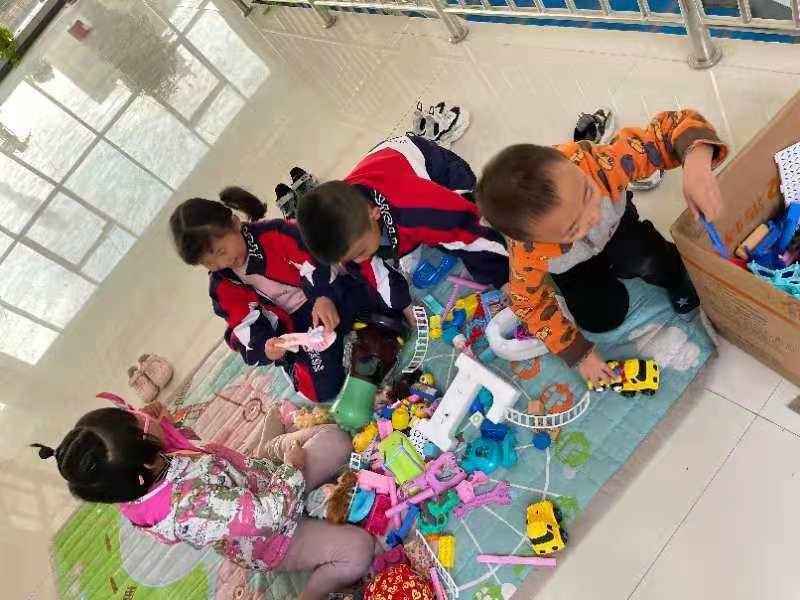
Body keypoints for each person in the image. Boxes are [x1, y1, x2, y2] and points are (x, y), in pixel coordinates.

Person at [475, 109, 728, 384]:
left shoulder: (594, 164)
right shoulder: (527, 255)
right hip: (572, 266)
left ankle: (675, 277)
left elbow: (669, 129)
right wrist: (579, 354)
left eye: (587, 193)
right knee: (600, 317)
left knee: (648, 258)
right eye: (572, 228)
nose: (592, 216)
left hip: (619, 227)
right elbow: (529, 305)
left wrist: (696, 164)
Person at [32, 397, 374, 600]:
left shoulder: (139, 473)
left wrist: (164, 425)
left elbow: (192, 450)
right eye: (138, 422)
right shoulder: (187, 509)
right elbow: (266, 517)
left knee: (336, 440)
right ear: (144, 464)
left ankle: (278, 444)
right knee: (358, 551)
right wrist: (292, 469)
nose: (142, 414)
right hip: (272, 536)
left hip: (257, 475)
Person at [170, 187, 374, 402]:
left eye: (222, 251)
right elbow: (244, 327)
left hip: (325, 295)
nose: (224, 262)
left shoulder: (274, 233)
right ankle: (296, 366)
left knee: (377, 310)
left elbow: (315, 255)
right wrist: (267, 346)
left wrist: (323, 295)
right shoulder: (222, 286)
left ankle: (352, 335)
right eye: (211, 263)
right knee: (322, 389)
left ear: (235, 223)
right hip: (296, 329)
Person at [295, 134, 509, 324]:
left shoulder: (416, 208)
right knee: (374, 259)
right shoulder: (348, 231)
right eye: (351, 257)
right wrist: (404, 305)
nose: (359, 260)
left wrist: (504, 279)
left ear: (375, 213)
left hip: (427, 161)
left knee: (474, 211)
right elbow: (374, 274)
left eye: (360, 252)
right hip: (377, 166)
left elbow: (469, 230)